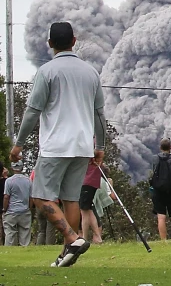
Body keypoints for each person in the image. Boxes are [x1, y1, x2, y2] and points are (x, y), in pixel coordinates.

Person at [9, 21, 105, 267]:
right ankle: (67, 253)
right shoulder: (91, 72)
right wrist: (100, 146)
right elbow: (99, 115)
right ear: (74, 41)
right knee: (71, 199)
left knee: (41, 196)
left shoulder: (47, 71)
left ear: (50, 44)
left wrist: (19, 144)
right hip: (82, 146)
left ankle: (73, 239)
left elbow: (32, 111)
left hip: (56, 146)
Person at [3, 166, 32, 246]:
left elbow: (6, 197)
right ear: (22, 168)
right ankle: (25, 250)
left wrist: (4, 209)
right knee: (25, 233)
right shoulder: (28, 180)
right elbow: (30, 197)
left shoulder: (9, 181)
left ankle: (8, 251)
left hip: (11, 210)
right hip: (24, 210)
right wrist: (29, 208)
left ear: (12, 168)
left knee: (9, 232)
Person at [78, 157, 104, 244]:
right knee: (89, 209)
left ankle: (85, 239)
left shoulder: (89, 151)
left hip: (86, 182)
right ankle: (97, 237)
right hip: (92, 182)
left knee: (84, 211)